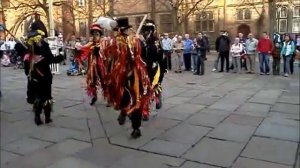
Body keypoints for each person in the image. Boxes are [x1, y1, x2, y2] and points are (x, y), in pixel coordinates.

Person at [104, 17, 152, 138]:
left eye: (127, 30)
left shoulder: (134, 41)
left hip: (135, 75)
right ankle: (125, 112)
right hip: (122, 77)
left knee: (137, 100)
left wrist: (141, 44)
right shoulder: (116, 43)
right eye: (125, 30)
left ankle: (136, 127)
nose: (127, 32)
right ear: (120, 30)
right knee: (125, 98)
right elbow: (112, 59)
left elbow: (141, 56)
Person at [23, 20, 64, 126]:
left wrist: (60, 57)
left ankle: (47, 116)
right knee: (38, 97)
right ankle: (37, 116)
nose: (39, 38)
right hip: (36, 76)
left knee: (47, 96)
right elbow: (26, 62)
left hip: (46, 75)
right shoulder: (30, 47)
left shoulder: (45, 45)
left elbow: (50, 58)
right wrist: (30, 60)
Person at [138, 19, 164, 120]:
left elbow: (158, 54)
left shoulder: (156, 40)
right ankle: (145, 110)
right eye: (145, 29)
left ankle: (158, 97)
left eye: (149, 29)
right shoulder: (140, 40)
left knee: (153, 87)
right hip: (143, 68)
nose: (146, 32)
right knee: (143, 90)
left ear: (152, 30)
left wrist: (145, 44)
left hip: (154, 68)